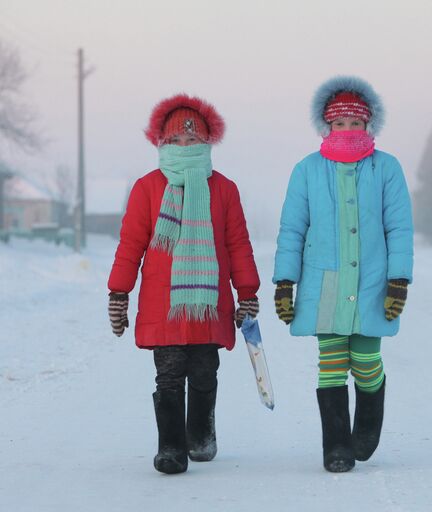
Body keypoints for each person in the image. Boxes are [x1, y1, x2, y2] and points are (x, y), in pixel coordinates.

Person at [107, 94, 260, 474]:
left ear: (207, 143)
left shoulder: (224, 189)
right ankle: (171, 448)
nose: (184, 146)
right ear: (161, 143)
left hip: (209, 300)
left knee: (205, 371)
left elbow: (238, 244)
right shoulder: (148, 188)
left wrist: (248, 293)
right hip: (163, 302)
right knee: (170, 373)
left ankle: (201, 435)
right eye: (175, 140)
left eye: (192, 141)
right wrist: (118, 293)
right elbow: (131, 245)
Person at [273, 76, 414, 472]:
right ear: (326, 126)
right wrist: (285, 281)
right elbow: (292, 229)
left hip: (373, 282)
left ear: (368, 125)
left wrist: (398, 278)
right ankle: (336, 446)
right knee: (332, 362)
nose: (348, 130)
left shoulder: (386, 167)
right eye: (339, 123)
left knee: (366, 361)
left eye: (355, 122)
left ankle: (366, 426)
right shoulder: (307, 170)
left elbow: (399, 227)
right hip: (326, 282)